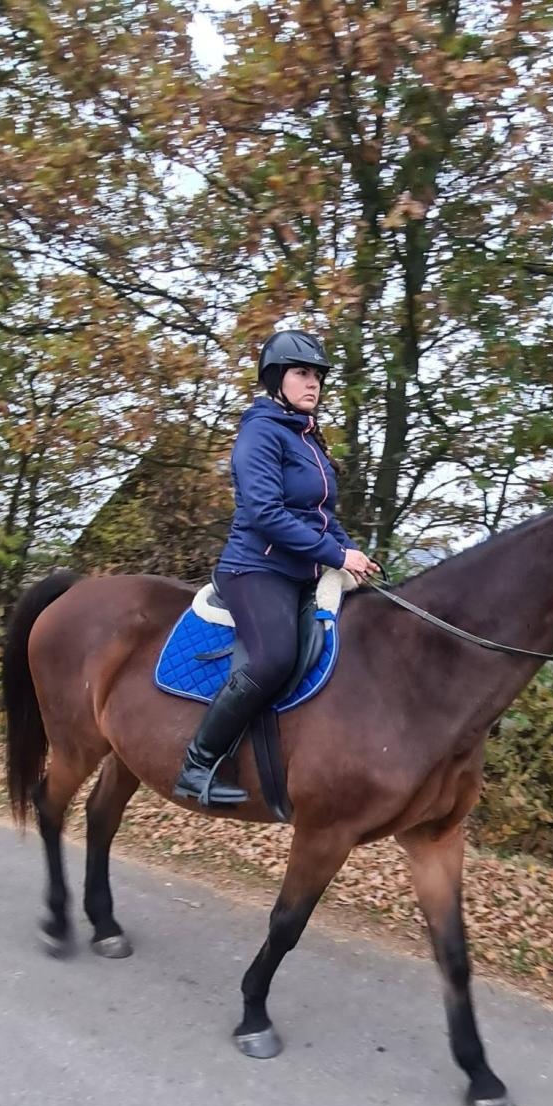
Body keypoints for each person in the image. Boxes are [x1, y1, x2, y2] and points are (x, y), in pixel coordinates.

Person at [175, 329, 376, 806]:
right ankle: (197, 764)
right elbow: (266, 513)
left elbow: (321, 516)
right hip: (255, 570)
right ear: (277, 380)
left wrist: (354, 553)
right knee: (274, 657)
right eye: (302, 374)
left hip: (301, 571)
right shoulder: (260, 433)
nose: (314, 384)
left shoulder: (308, 438)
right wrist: (334, 555)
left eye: (318, 377)